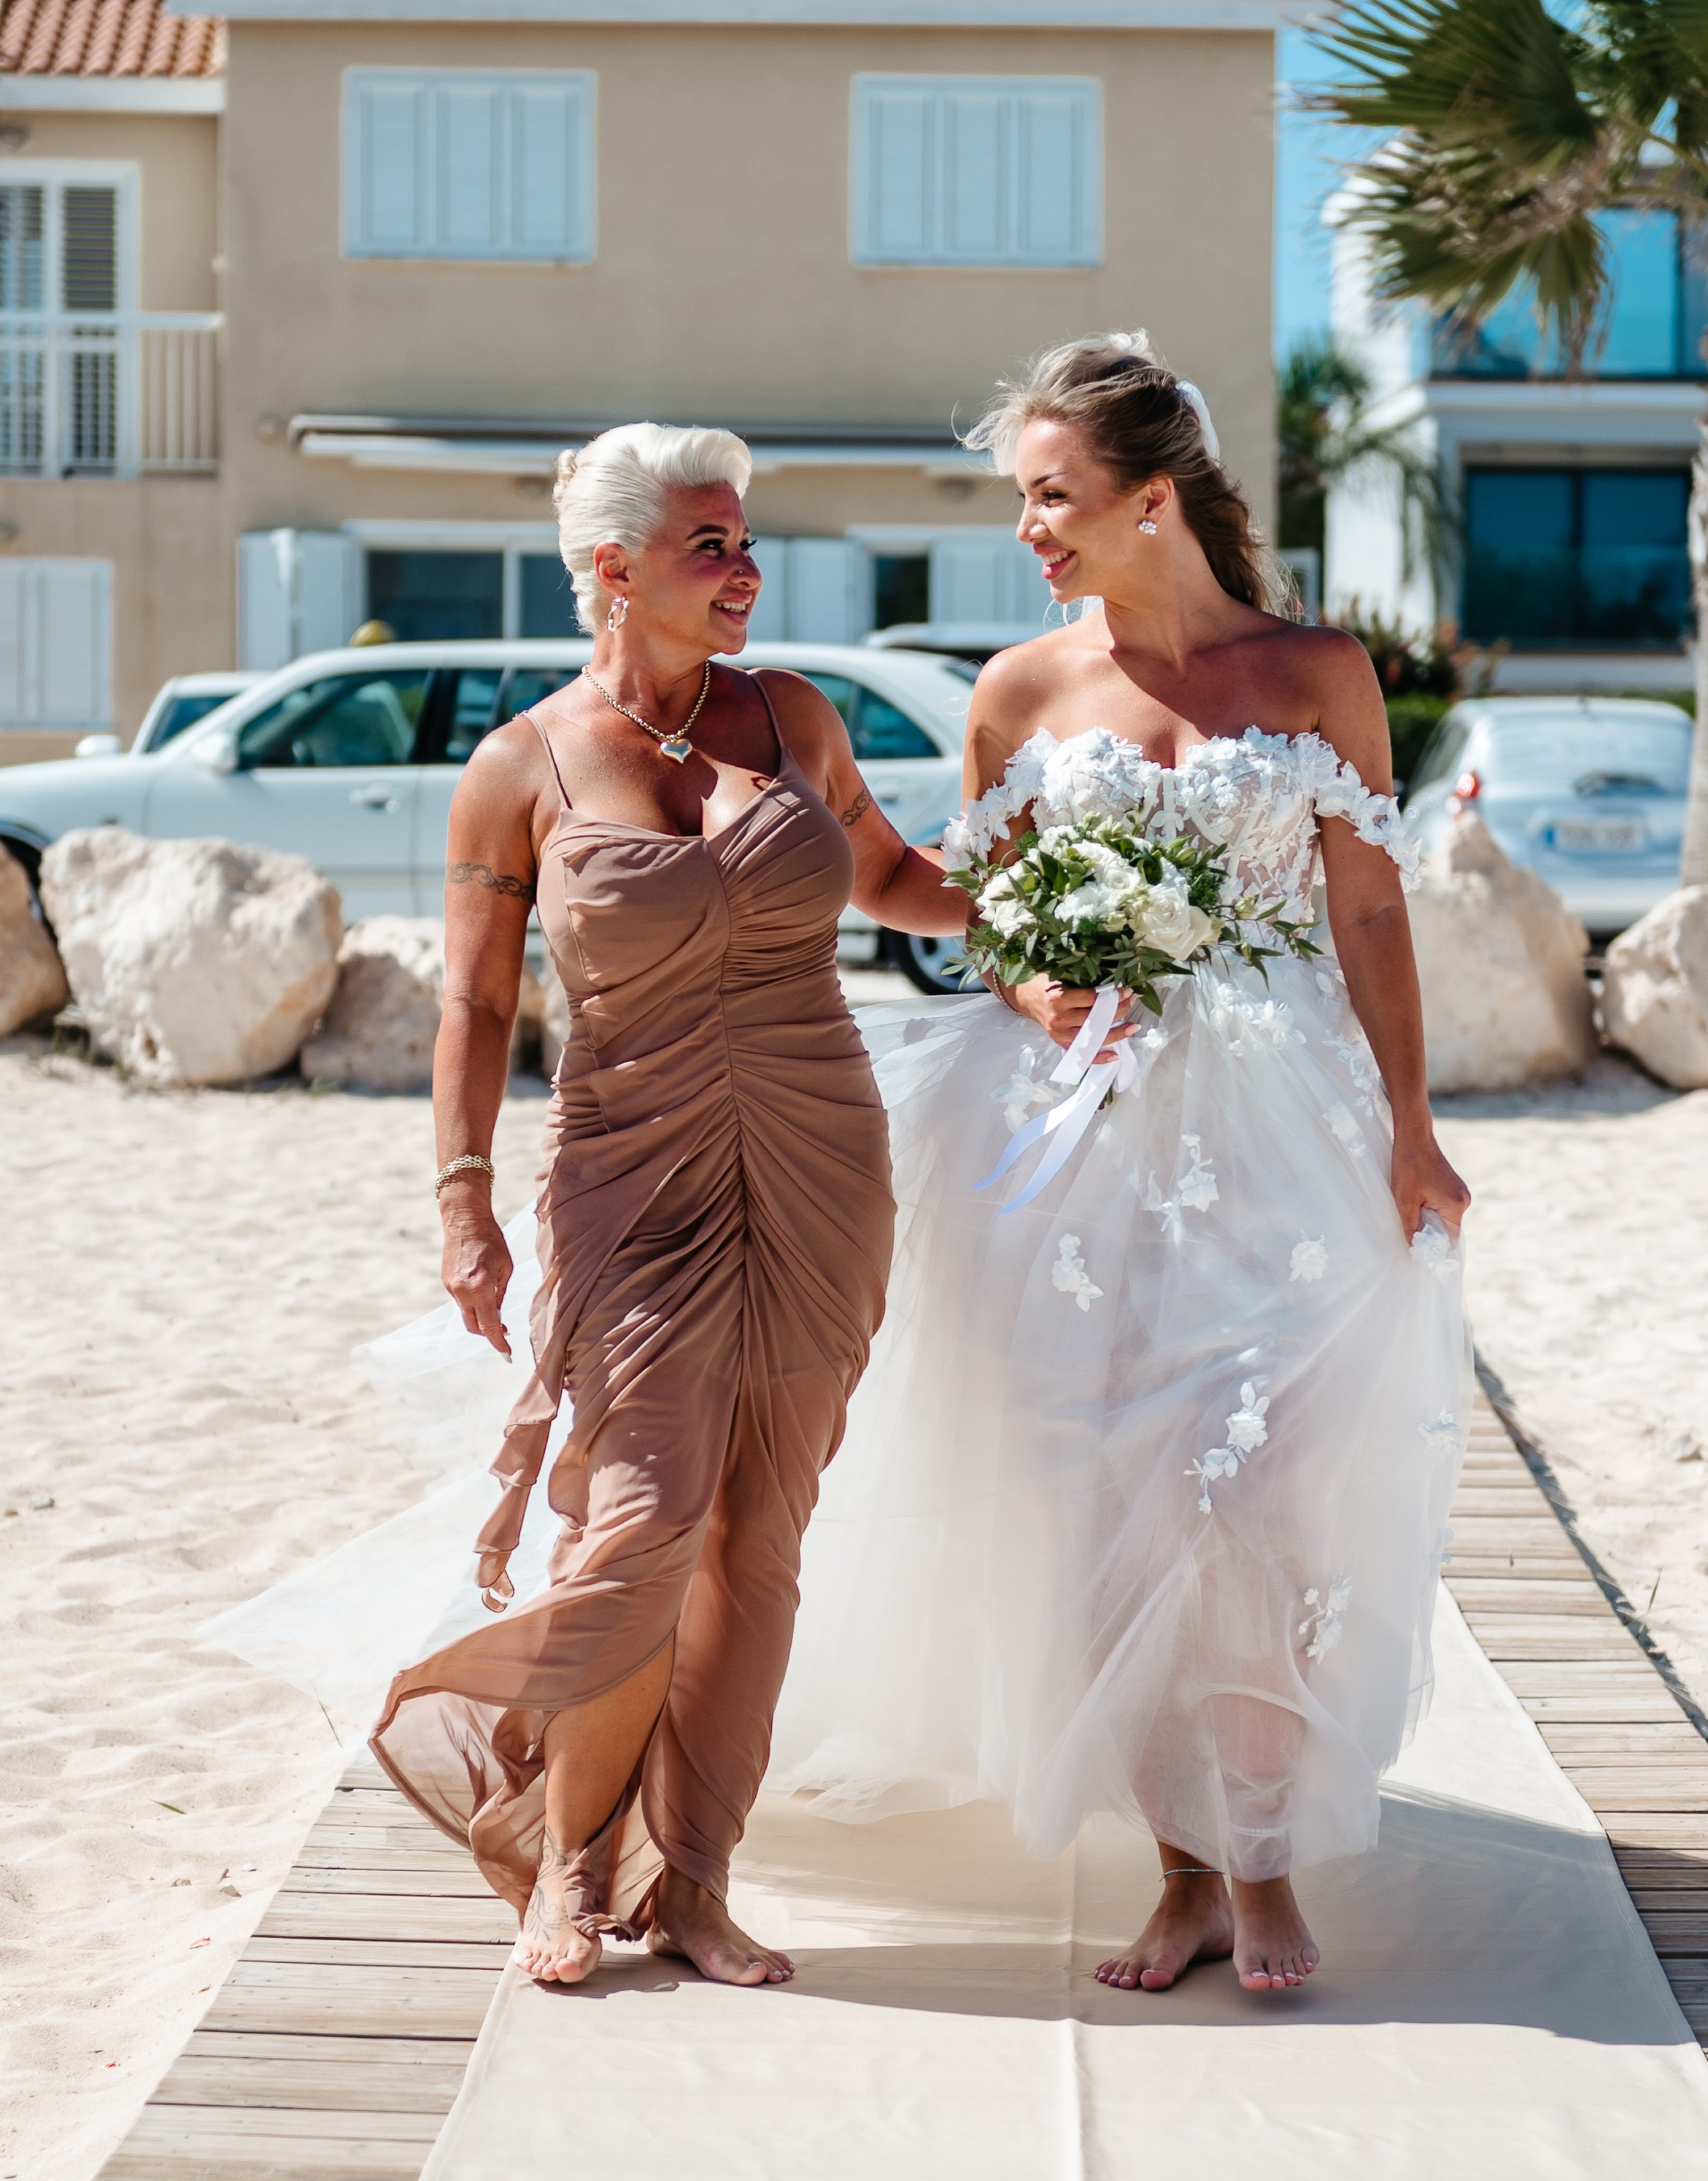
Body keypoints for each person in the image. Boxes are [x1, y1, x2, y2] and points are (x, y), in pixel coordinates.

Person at [770, 333, 1472, 1997]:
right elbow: (987, 907)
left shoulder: (1318, 672)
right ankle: (1180, 1873)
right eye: (1021, 496)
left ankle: (1270, 1855)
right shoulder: (1017, 691)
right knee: (1117, 1494)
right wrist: (1038, 979)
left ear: (1151, 498)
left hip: (1284, 1134)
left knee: (1269, 1498)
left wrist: (1412, 1123)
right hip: (1079, 1139)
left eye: (1049, 494)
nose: (1027, 526)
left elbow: (1367, 907)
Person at [373, 422, 959, 1989]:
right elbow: (476, 1009)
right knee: (636, 1530)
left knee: (758, 1540)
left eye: (747, 539)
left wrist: (1065, 902)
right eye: (712, 542)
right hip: (629, 1169)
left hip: (820, 1153)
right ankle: (567, 1865)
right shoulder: (519, 767)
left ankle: (694, 1877)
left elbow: (894, 873)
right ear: (613, 568)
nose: (746, 568)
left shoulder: (792, 716)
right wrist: (462, 1202)